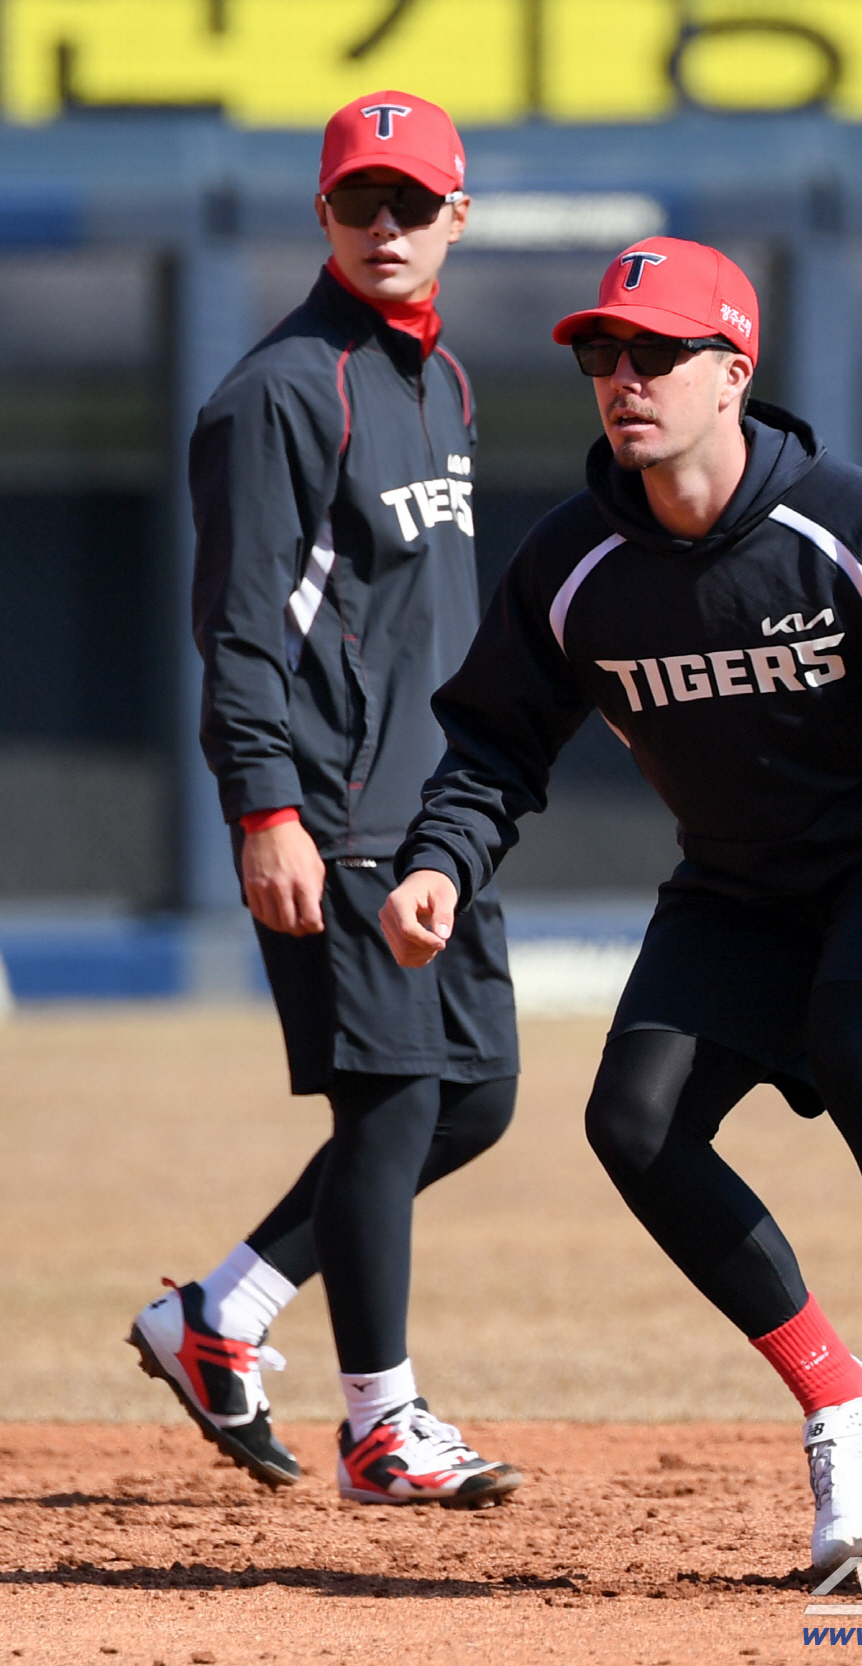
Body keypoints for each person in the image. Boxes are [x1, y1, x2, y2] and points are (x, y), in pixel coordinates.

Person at [380, 237, 862, 1566]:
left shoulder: (859, 528)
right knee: (632, 1121)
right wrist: (438, 859)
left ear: (734, 370)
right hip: (736, 884)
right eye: (600, 353)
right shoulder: (576, 565)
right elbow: (493, 740)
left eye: (655, 351)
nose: (621, 375)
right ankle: (850, 1404)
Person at [128, 91, 521, 1509]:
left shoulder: (445, 385)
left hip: (437, 819)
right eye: (363, 200)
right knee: (397, 1094)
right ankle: (383, 1421)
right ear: (324, 215)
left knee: (473, 1097)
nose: (388, 224)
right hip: (340, 807)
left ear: (458, 217)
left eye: (414, 202)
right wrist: (264, 806)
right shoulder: (279, 393)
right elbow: (239, 629)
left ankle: (220, 1310)